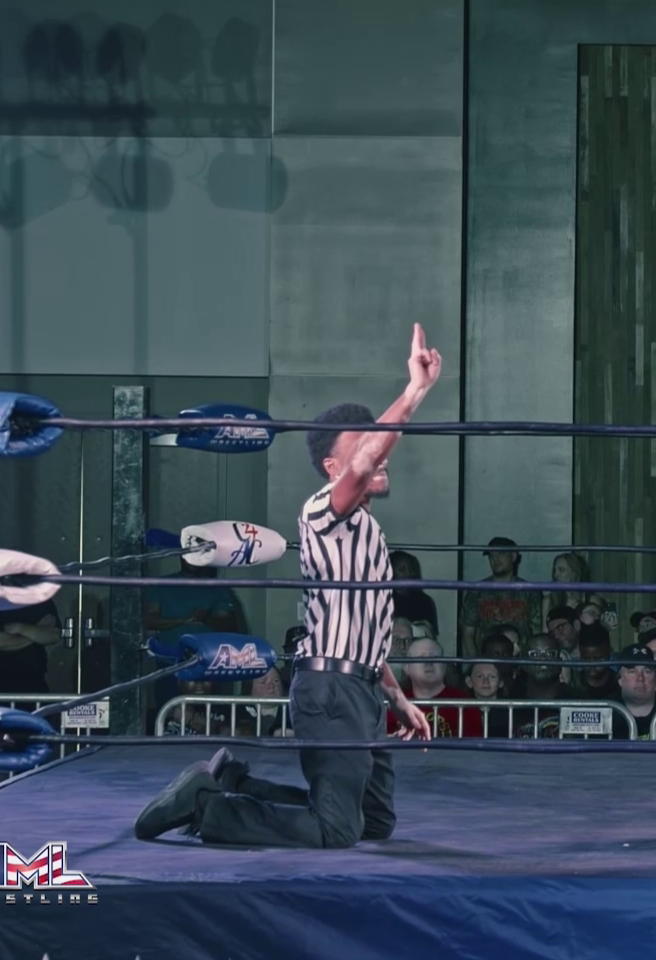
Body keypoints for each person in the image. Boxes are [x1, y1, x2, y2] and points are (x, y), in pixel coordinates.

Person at [135, 323, 439, 848]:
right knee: (337, 830)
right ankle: (207, 808)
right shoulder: (322, 511)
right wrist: (414, 390)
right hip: (330, 691)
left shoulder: (368, 531)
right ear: (333, 467)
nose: (378, 452)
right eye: (363, 445)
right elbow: (366, 461)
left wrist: (395, 696)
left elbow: (364, 630)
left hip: (362, 688)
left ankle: (233, 782)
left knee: (374, 823)